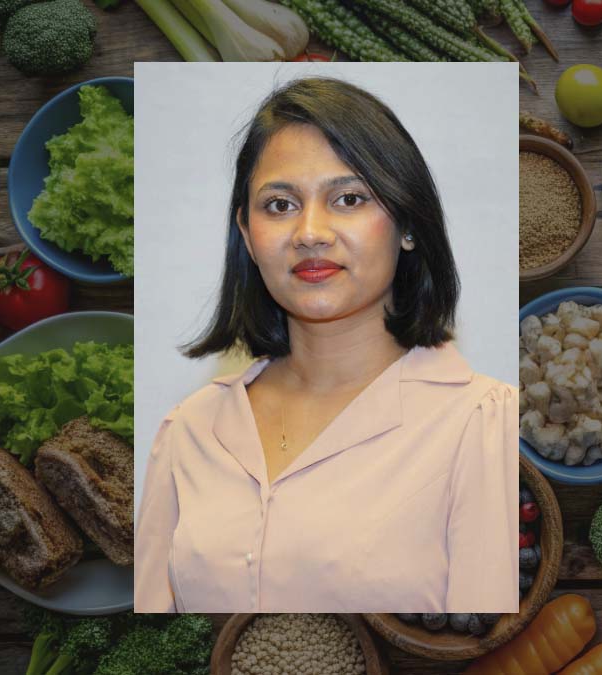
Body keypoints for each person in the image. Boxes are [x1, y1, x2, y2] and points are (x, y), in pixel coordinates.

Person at [134, 77, 518, 613]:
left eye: (349, 198)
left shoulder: (483, 423)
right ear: (246, 234)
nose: (310, 232)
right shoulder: (189, 429)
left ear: (407, 222)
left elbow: (483, 647)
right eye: (280, 204)